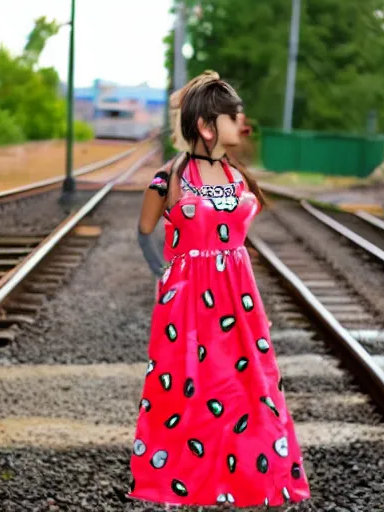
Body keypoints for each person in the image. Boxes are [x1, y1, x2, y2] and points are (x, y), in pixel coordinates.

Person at [128, 72, 310, 508]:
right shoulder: (168, 177)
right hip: (187, 299)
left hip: (238, 298)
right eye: (233, 116)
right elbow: (144, 231)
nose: (241, 124)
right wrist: (164, 276)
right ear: (208, 126)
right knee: (187, 388)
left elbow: (235, 233)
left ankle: (251, 477)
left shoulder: (237, 176)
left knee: (248, 385)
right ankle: (185, 481)